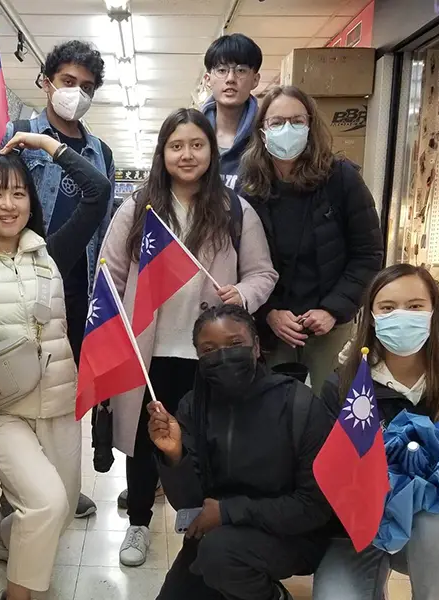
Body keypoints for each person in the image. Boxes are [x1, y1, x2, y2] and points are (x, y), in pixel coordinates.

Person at [0, 39, 113, 518]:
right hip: (14, 275)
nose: (75, 93)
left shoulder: (99, 151)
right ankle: (21, 497)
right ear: (46, 82)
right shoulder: (12, 135)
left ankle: (53, 481)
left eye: (86, 87)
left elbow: (101, 207)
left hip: (74, 287)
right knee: (13, 382)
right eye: (67, 82)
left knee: (58, 390)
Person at [100, 107, 278, 567]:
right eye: (175, 145)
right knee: (144, 442)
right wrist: (109, 335)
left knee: (208, 440)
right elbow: (109, 278)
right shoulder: (137, 208)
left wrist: (242, 293)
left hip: (212, 355)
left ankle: (204, 522)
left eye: (196, 145)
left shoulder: (235, 209)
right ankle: (138, 523)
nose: (186, 154)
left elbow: (263, 272)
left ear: (211, 152)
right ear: (162, 153)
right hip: (149, 354)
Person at [0, 132, 111, 600]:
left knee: (57, 512)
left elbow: (98, 192)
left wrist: (46, 144)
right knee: (45, 504)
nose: (8, 204)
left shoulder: (52, 251)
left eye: (18, 193)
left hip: (57, 401)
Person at [312, 263, 439, 600]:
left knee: (434, 523)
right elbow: (327, 466)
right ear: (371, 317)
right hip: (358, 528)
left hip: (431, 525)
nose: (402, 316)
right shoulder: (345, 386)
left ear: (434, 311)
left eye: (415, 306)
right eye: (388, 307)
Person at [151, 304, 335, 600]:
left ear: (257, 346)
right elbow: (190, 504)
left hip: (293, 535)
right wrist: (175, 456)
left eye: (235, 344)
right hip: (219, 534)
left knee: (219, 556)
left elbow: (314, 507)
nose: (222, 356)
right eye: (208, 349)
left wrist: (228, 512)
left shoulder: (298, 404)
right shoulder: (192, 406)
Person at [241, 85, 383, 391]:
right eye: (277, 123)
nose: (287, 129)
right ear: (262, 131)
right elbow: (241, 264)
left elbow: (368, 254)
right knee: (276, 413)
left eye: (297, 121)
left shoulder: (342, 179)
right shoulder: (249, 190)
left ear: (311, 125)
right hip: (273, 328)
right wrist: (269, 314)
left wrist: (333, 309)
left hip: (330, 326)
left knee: (328, 411)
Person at [201, 33, 263, 190]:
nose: (230, 78)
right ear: (208, 79)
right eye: (221, 70)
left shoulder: (266, 136)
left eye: (241, 70)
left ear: (255, 79)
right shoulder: (192, 133)